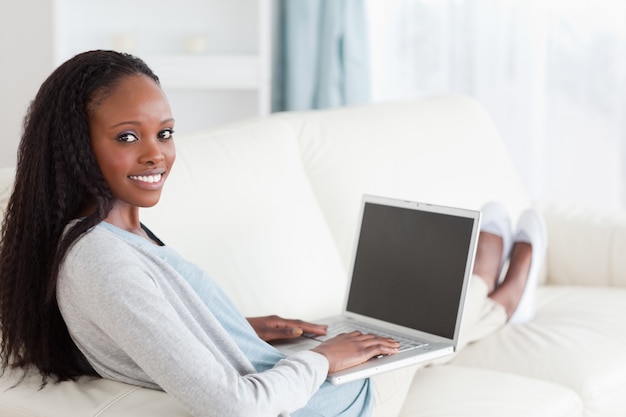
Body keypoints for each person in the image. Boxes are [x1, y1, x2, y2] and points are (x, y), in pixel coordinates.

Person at [0, 50, 546, 417]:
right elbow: (236, 405)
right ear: (75, 145)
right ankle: (499, 288)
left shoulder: (106, 235)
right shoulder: (102, 261)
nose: (156, 154)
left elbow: (155, 330)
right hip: (319, 400)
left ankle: (487, 276)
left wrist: (238, 327)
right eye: (127, 136)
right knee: (425, 338)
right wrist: (328, 358)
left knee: (403, 331)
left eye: (165, 133)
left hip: (288, 373)